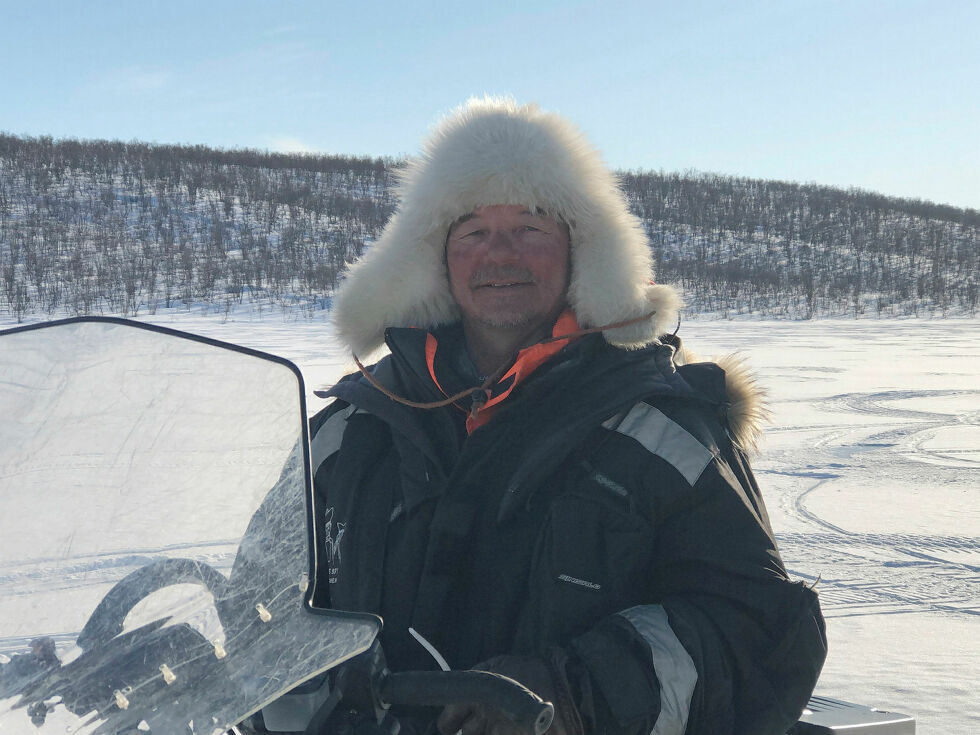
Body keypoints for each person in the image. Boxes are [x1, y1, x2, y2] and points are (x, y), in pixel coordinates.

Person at [310, 98, 826, 735]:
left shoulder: (657, 429)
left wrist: (570, 694)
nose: (500, 255)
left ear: (582, 252)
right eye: (472, 231)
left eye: (530, 227)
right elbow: (266, 604)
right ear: (436, 260)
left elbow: (756, 632)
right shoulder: (353, 429)